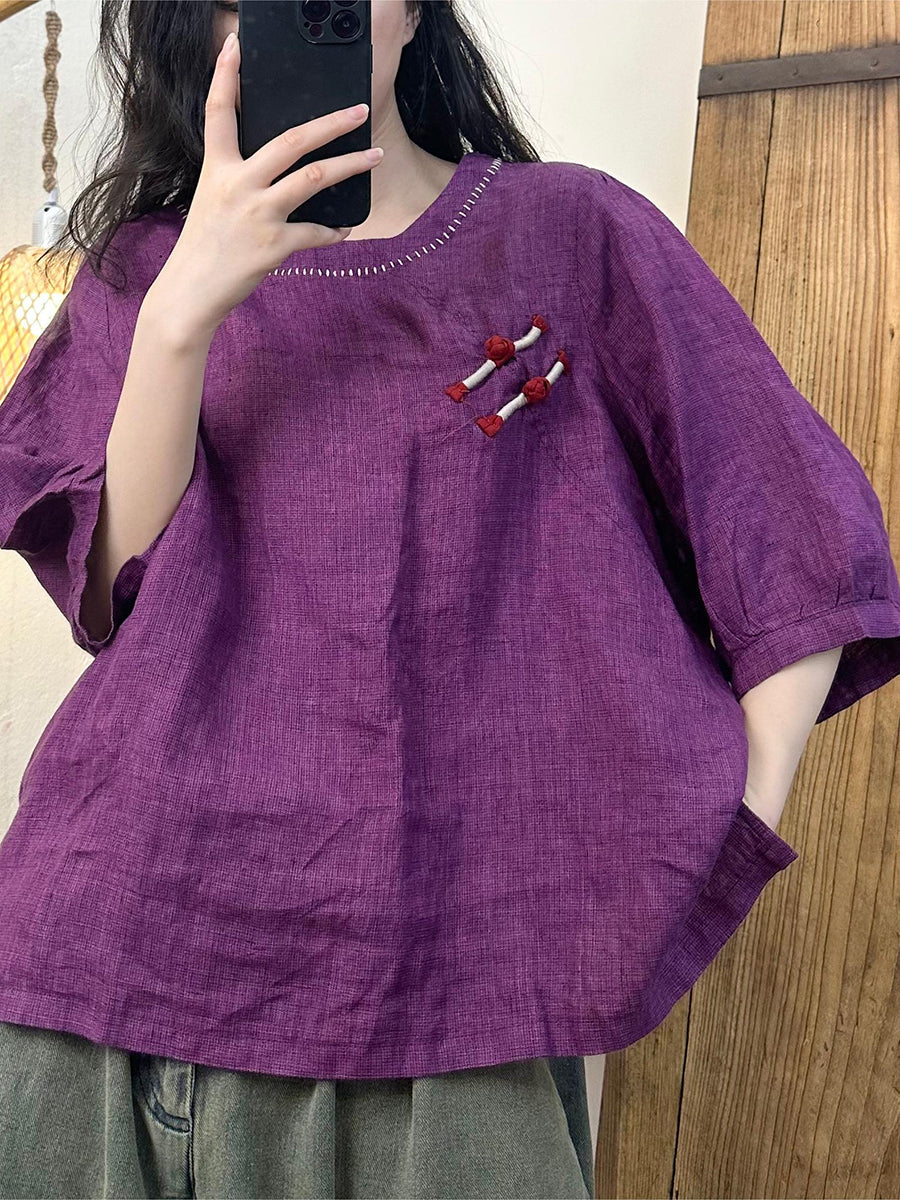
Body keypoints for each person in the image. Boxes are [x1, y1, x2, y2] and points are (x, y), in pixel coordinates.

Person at [2, 0, 900, 1196]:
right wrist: (180, 316)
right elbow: (113, 581)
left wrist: (726, 821)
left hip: (448, 1013)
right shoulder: (143, 272)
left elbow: (793, 531)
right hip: (97, 963)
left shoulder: (569, 232)